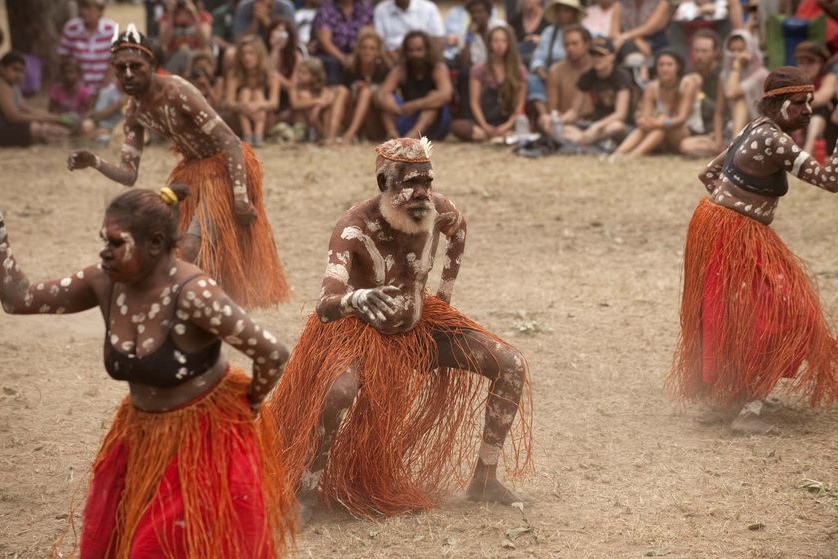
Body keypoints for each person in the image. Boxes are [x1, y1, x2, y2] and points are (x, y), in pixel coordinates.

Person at [0, 186, 296, 556]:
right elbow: (18, 299)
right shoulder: (103, 282)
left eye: (115, 243)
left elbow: (272, 352)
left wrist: (248, 405)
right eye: (103, 241)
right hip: (138, 436)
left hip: (205, 438)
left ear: (155, 244)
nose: (103, 252)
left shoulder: (193, 294)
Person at [270, 137, 532, 519]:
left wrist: (443, 294)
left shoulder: (438, 210)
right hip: (358, 333)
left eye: (427, 181)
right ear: (383, 184)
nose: (422, 193)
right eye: (411, 182)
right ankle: (306, 492)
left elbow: (459, 232)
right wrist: (356, 300)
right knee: (338, 392)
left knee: (510, 364)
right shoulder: (353, 230)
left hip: (421, 326)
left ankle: (485, 480)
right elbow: (325, 306)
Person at [66, 25, 290, 309]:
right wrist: (94, 162)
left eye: (136, 66)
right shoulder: (134, 111)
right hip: (193, 172)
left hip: (226, 166)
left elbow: (231, 142)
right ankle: (183, 303)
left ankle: (187, 305)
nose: (128, 74)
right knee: (175, 244)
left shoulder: (179, 91)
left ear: (152, 65)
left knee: (193, 244)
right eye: (121, 68)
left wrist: (240, 197)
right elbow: (128, 174)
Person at [667, 67, 838, 434]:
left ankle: (741, 394)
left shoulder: (754, 127)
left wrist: (733, 205)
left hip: (717, 225)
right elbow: (831, 181)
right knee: (784, 315)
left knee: (739, 314)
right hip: (735, 233)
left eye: (810, 102)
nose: (808, 110)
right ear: (778, 104)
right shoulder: (775, 141)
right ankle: (748, 409)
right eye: (799, 103)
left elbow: (708, 173)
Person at [614, 48, 698, 156]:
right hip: (659, 130)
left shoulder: (687, 84)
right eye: (661, 65)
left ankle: (634, 155)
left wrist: (662, 122)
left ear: (678, 67)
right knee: (648, 128)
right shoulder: (652, 87)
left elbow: (682, 118)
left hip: (685, 132)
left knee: (661, 127)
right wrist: (647, 121)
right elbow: (646, 115)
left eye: (669, 65)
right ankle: (617, 154)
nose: (665, 69)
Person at [450, 25, 527, 142]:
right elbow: (474, 102)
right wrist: (484, 126)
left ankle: (503, 134)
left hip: (507, 120)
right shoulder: (479, 70)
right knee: (457, 126)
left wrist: (507, 125)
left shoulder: (519, 71)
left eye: (503, 41)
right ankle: (489, 135)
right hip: (485, 120)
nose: (499, 45)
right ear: (489, 43)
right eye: (495, 41)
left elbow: (519, 105)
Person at [558, 35, 633, 149]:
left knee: (615, 127)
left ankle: (581, 141)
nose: (597, 59)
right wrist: (559, 121)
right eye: (593, 55)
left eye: (601, 55)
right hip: (594, 124)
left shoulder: (621, 77)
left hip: (618, 125)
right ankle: (587, 140)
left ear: (612, 56)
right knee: (557, 126)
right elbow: (574, 111)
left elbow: (620, 114)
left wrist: (597, 126)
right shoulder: (588, 76)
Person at [377, 30, 454, 140]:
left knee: (433, 99)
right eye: (411, 51)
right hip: (408, 116)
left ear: (427, 50)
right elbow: (382, 94)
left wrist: (416, 104)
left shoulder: (438, 68)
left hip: (434, 122)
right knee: (387, 99)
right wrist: (394, 107)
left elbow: (446, 95)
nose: (415, 55)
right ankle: (392, 135)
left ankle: (413, 136)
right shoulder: (401, 70)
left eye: (419, 50)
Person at [527, 0, 586, 126]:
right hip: (551, 75)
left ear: (574, 13)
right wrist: (541, 70)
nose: (562, 14)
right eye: (559, 10)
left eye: (566, 11)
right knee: (533, 79)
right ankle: (546, 116)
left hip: (575, 73)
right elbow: (538, 56)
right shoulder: (549, 32)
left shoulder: (584, 31)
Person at [0, 52, 73, 147]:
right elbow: (13, 117)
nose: (18, 75)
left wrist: (53, 118)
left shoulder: (14, 87)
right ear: (2, 68)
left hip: (9, 125)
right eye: (15, 69)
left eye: (21, 71)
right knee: (38, 128)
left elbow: (26, 109)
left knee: (54, 128)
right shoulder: (2, 86)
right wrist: (47, 119)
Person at [536, 23, 593, 136]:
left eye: (575, 44)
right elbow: (552, 109)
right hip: (565, 122)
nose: (570, 48)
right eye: (566, 45)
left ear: (587, 44)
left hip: (593, 122)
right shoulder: (556, 71)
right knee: (544, 120)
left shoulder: (597, 67)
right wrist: (559, 119)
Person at [226, 34, 281, 146]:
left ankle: (257, 135)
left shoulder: (271, 75)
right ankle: (248, 135)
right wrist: (243, 106)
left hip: (263, 117)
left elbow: (274, 103)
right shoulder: (234, 75)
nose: (247, 58)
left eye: (251, 53)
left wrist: (257, 105)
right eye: (243, 54)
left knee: (257, 93)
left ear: (259, 55)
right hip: (240, 117)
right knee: (245, 92)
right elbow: (228, 102)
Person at [338, 28, 391, 144]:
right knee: (341, 91)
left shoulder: (385, 70)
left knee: (366, 92)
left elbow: (388, 97)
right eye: (364, 48)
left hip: (375, 119)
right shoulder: (351, 70)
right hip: (352, 112)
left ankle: (349, 135)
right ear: (358, 50)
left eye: (372, 49)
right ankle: (331, 135)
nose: (367, 52)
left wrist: (371, 89)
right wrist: (354, 90)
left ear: (378, 52)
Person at [679, 28, 724, 158]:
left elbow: (721, 112)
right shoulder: (687, 74)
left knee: (687, 147)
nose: (699, 56)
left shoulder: (722, 76)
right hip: (691, 127)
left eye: (704, 51)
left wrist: (698, 93)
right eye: (696, 51)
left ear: (715, 52)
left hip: (716, 130)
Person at [57, 0, 118, 93]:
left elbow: (114, 61)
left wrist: (103, 88)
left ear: (99, 11)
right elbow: (64, 59)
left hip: (106, 87)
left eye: (89, 9)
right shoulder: (71, 28)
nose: (84, 12)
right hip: (77, 88)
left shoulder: (111, 30)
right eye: (82, 8)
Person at [310, 0, 374, 85]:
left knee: (368, 57)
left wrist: (355, 56)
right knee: (332, 63)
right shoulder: (326, 9)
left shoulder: (365, 8)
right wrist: (343, 58)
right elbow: (325, 41)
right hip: (331, 55)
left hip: (357, 53)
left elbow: (368, 35)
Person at [721, 29, 768, 140]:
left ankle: (734, 145)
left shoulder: (761, 73)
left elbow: (731, 93)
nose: (736, 54)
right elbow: (719, 111)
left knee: (740, 100)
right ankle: (732, 143)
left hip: (758, 125)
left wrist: (737, 66)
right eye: (732, 50)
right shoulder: (724, 75)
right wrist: (717, 139)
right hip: (733, 124)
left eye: (741, 50)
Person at [289, 57, 349, 144]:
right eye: (299, 72)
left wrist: (320, 105)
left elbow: (327, 100)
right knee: (305, 97)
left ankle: (329, 135)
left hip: (318, 118)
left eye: (304, 73)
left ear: (314, 77)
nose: (299, 75)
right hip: (302, 121)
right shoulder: (295, 88)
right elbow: (295, 104)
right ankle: (322, 135)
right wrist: (316, 102)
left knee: (328, 108)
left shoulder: (322, 90)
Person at [793, 41, 838, 154]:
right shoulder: (795, 80)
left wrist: (795, 100)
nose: (805, 66)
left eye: (811, 62)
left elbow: (823, 97)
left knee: (819, 112)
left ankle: (807, 155)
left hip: (826, 130)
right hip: (799, 124)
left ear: (821, 63)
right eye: (801, 62)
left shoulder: (829, 77)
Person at [373, 0, 446, 59]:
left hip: (424, 59)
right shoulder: (381, 10)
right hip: (392, 58)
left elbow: (438, 40)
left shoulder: (429, 8)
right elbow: (379, 42)